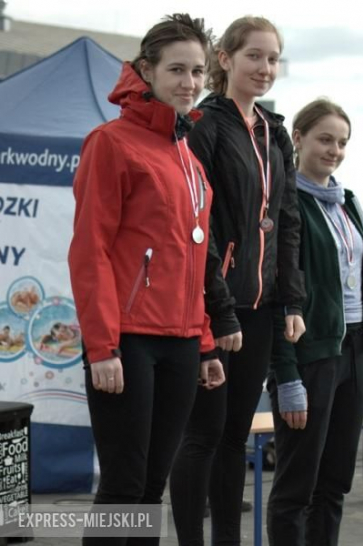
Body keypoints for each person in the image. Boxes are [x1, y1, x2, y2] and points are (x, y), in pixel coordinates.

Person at [67, 14, 225, 545]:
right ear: (146, 71)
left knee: (153, 486)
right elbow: (91, 251)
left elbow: (193, 262)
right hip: (128, 342)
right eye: (176, 69)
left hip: (181, 344)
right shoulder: (110, 143)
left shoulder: (189, 156)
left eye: (198, 70)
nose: (189, 81)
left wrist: (205, 345)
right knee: (123, 484)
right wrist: (102, 347)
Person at [168, 16, 306, 545]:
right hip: (210, 308)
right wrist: (219, 307)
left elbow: (287, 220)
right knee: (201, 437)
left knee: (235, 439)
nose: (265, 68)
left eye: (273, 59)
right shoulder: (204, 124)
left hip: (261, 307)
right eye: (254, 56)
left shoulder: (274, 130)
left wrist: (290, 299)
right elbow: (195, 224)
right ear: (224, 60)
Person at [266, 98, 363, 546]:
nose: (334, 150)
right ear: (297, 139)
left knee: (335, 482)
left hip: (355, 351)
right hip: (311, 354)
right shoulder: (287, 203)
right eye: (324, 139)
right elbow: (278, 295)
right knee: (296, 485)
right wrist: (286, 376)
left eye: (342, 142)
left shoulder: (349, 202)